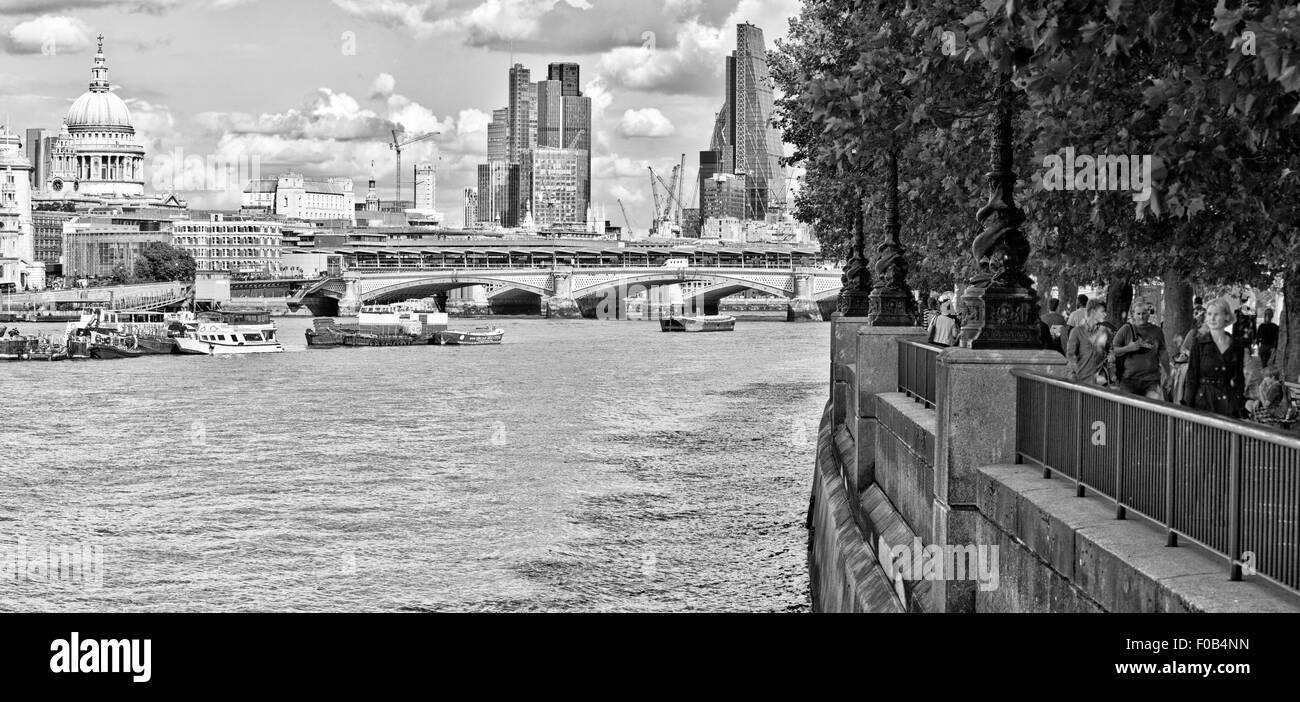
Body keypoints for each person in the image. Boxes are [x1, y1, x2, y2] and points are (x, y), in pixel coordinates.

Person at [1183, 297, 1246, 418]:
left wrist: (1239, 402)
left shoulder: (1237, 346)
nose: (1212, 318)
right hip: (1203, 401)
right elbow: (1191, 377)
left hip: (1228, 401)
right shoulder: (1199, 343)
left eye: (1216, 314)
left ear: (1226, 316)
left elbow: (1239, 379)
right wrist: (1187, 407)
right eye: (1209, 314)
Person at [1113, 302, 1169, 400]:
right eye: (1138, 314)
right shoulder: (1126, 329)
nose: (1141, 316)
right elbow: (1113, 350)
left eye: (1144, 313)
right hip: (1129, 380)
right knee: (1128, 412)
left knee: (1152, 411)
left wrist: (1168, 373)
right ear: (1133, 315)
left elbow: (1163, 352)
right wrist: (1129, 348)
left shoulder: (1157, 331)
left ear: (1148, 314)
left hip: (1151, 380)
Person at [1066, 299, 1111, 385]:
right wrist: (1072, 379)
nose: (1105, 314)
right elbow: (1071, 357)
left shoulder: (1105, 332)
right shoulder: (1076, 332)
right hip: (1082, 382)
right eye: (1103, 311)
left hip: (1101, 383)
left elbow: (1110, 353)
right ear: (1093, 312)